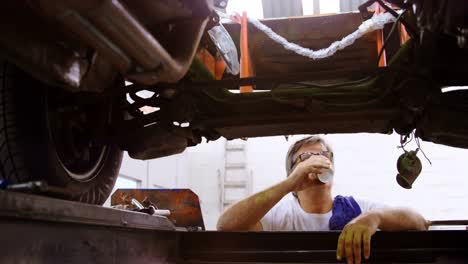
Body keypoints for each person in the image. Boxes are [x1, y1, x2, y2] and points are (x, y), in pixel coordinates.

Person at [217, 135, 429, 264]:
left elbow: (419, 221)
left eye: (323, 155)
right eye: (305, 158)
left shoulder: (356, 208)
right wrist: (289, 183)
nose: (317, 161)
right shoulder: (281, 215)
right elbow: (225, 225)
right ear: (293, 170)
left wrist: (374, 218)